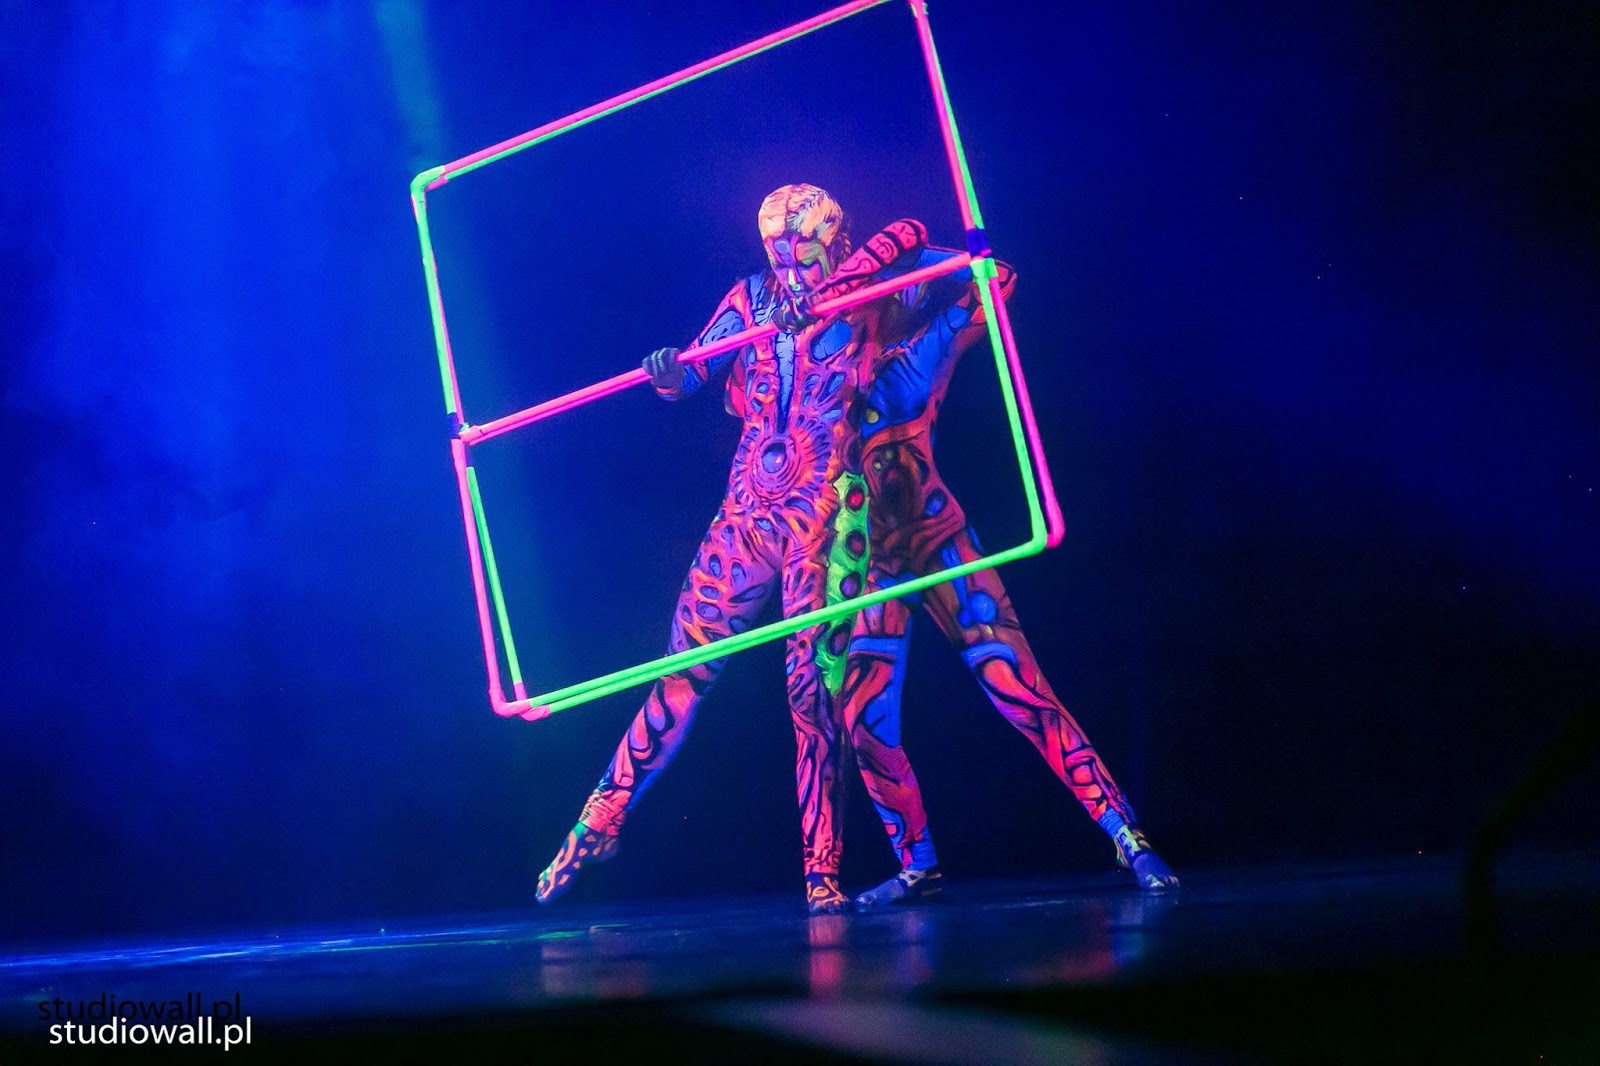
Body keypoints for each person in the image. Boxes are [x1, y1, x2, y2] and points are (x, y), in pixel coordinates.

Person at [534, 184, 924, 914]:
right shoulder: (752, 298)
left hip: (822, 514)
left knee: (811, 692)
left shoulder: (867, 298)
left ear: (834, 242)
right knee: (681, 671)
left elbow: (911, 230)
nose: (789, 265)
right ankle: (600, 818)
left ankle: (821, 871)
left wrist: (841, 286)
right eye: (777, 250)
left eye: (803, 250)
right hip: (747, 512)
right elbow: (694, 371)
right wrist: (668, 375)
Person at [810, 236, 1182, 904]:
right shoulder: (818, 368)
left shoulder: (919, 351)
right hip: (868, 562)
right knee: (862, 721)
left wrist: (910, 255)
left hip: (936, 540)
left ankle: (1127, 837)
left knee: (1019, 691)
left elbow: (997, 278)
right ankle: (917, 865)